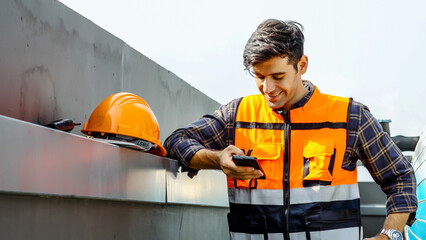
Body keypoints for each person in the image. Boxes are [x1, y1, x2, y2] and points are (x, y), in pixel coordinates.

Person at [164, 19, 417, 240]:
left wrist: (389, 235)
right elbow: (177, 141)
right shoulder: (236, 115)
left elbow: (400, 177)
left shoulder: (350, 118)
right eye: (259, 76)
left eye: (277, 76)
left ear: (302, 65)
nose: (268, 88)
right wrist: (217, 159)